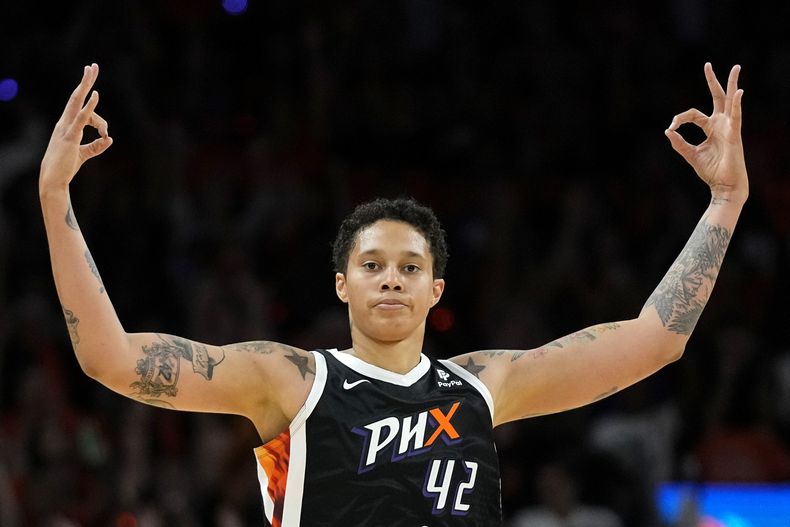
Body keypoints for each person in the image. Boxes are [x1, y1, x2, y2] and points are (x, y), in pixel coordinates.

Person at [39, 62, 748, 526]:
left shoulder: (483, 385)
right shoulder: (289, 380)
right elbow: (109, 356)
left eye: (410, 267)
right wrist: (54, 197)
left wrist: (724, 201)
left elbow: (655, 340)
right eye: (372, 264)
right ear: (341, 284)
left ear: (436, 290)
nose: (390, 277)